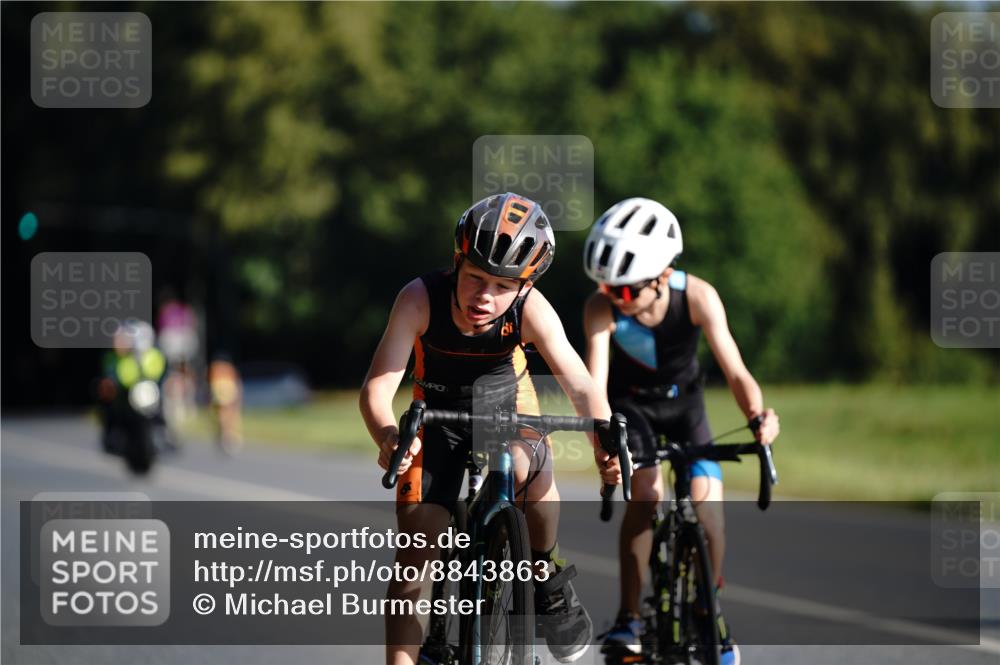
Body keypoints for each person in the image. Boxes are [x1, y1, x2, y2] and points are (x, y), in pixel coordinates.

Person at [360, 192, 623, 665]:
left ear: (524, 287)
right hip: (436, 414)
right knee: (414, 560)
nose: (485, 296)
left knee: (530, 471)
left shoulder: (533, 310)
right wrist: (387, 434)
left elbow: (582, 387)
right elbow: (377, 391)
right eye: (476, 278)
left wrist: (603, 444)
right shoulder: (419, 299)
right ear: (456, 263)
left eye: (503, 286)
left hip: (506, 406)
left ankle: (543, 572)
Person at [582, 198, 780, 665]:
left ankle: (708, 609)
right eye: (607, 285)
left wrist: (758, 418)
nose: (614, 296)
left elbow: (735, 370)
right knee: (647, 494)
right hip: (632, 411)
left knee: (710, 513)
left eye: (626, 290)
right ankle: (629, 616)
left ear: (663, 275)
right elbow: (594, 381)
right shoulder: (600, 308)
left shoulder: (698, 296)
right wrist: (602, 439)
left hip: (686, 409)